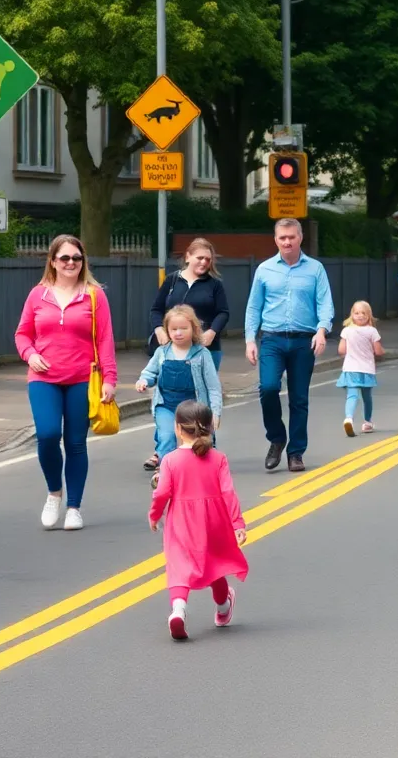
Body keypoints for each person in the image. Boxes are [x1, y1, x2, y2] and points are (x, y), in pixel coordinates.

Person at [15, 234, 117, 532]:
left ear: (83, 261)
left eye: (76, 258)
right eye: (65, 258)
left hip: (82, 380)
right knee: (47, 435)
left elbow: (105, 340)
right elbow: (22, 334)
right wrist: (30, 354)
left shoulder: (95, 295)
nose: (71, 263)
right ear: (53, 261)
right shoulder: (38, 295)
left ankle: (74, 507)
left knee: (75, 444)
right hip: (43, 378)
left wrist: (110, 379)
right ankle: (53, 493)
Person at [148, 400, 248, 640]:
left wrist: (154, 514)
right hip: (214, 520)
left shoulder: (170, 460)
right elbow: (228, 492)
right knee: (214, 565)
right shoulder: (218, 458)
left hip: (182, 521)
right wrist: (237, 523)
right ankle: (223, 606)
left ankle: (178, 610)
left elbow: (162, 493)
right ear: (210, 427)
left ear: (179, 429)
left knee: (179, 567)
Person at [244, 218, 334, 473]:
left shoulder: (315, 269)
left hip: (304, 340)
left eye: (291, 237)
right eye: (282, 237)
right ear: (275, 240)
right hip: (272, 338)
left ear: (300, 238)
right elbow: (254, 307)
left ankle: (296, 452)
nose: (287, 241)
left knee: (299, 398)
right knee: (268, 388)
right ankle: (276, 437)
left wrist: (321, 331)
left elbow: (325, 303)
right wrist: (250, 339)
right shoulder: (264, 270)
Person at [145, 238, 229, 470]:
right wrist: (159, 330)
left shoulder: (214, 284)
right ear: (188, 256)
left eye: (207, 259)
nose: (203, 262)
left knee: (200, 396)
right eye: (199, 258)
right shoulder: (173, 281)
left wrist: (212, 332)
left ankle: (205, 445)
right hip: (172, 348)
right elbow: (155, 309)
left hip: (204, 349)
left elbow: (223, 312)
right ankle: (162, 448)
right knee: (167, 396)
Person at [136, 305, 223, 476]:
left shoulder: (202, 354)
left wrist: (215, 413)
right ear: (167, 330)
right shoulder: (162, 352)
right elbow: (150, 372)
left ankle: (206, 470)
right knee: (166, 436)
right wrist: (143, 381)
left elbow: (213, 386)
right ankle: (166, 473)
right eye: (173, 329)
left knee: (201, 441)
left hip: (194, 408)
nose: (178, 333)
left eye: (183, 328)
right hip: (166, 405)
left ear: (194, 328)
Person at [338, 300, 385, 437]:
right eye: (357, 313)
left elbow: (341, 350)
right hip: (367, 369)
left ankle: (348, 418)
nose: (359, 315)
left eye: (362, 313)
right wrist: (381, 351)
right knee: (367, 397)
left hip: (351, 368)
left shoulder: (346, 331)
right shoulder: (372, 331)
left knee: (352, 395)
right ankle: (367, 422)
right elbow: (378, 351)